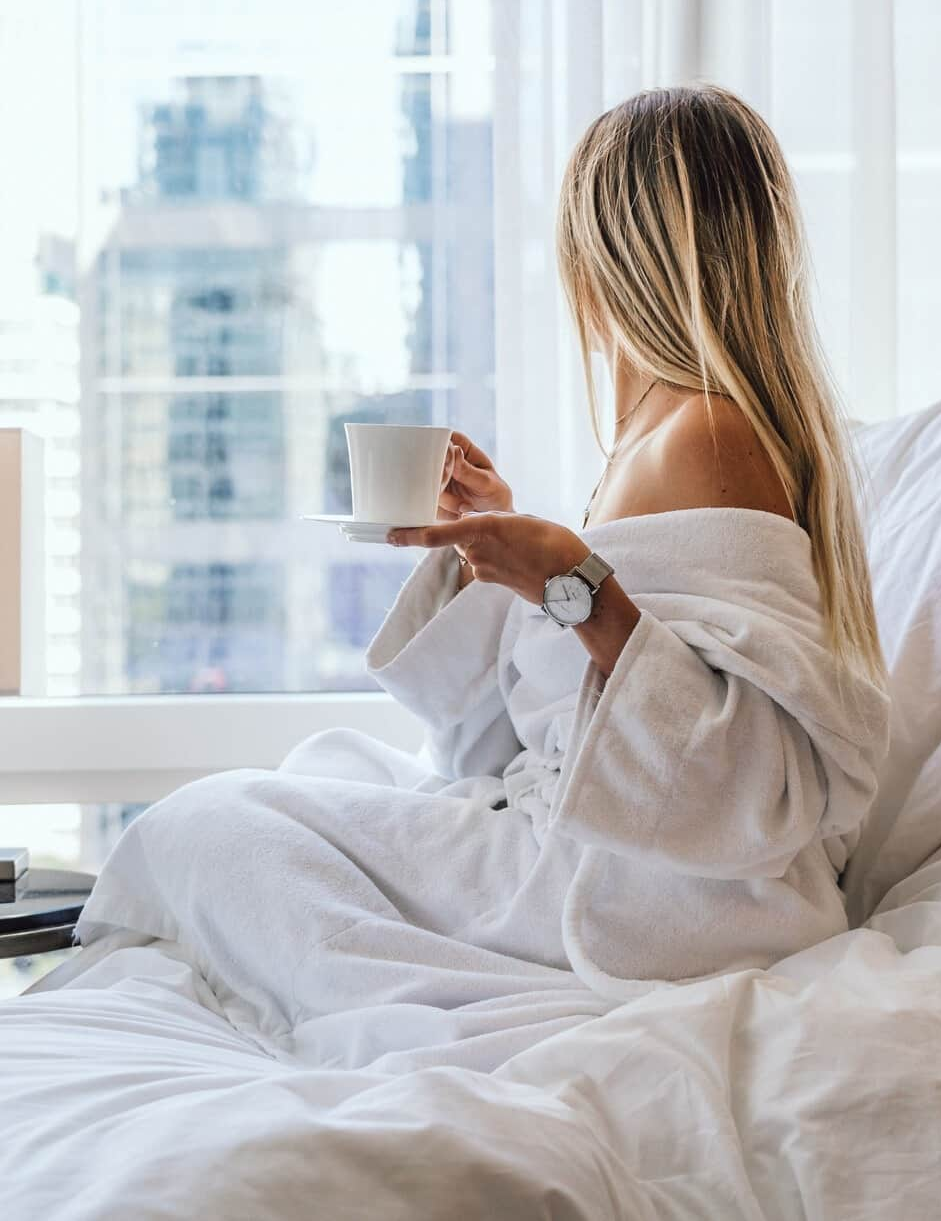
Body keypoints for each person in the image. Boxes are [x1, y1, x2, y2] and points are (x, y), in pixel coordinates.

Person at [73, 85, 890, 1042]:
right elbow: (566, 713)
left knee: (204, 829)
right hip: (578, 849)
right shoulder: (666, 433)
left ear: (610, 258)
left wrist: (571, 584)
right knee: (305, 781)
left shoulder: (707, 432)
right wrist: (503, 544)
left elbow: (753, 777)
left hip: (636, 899)